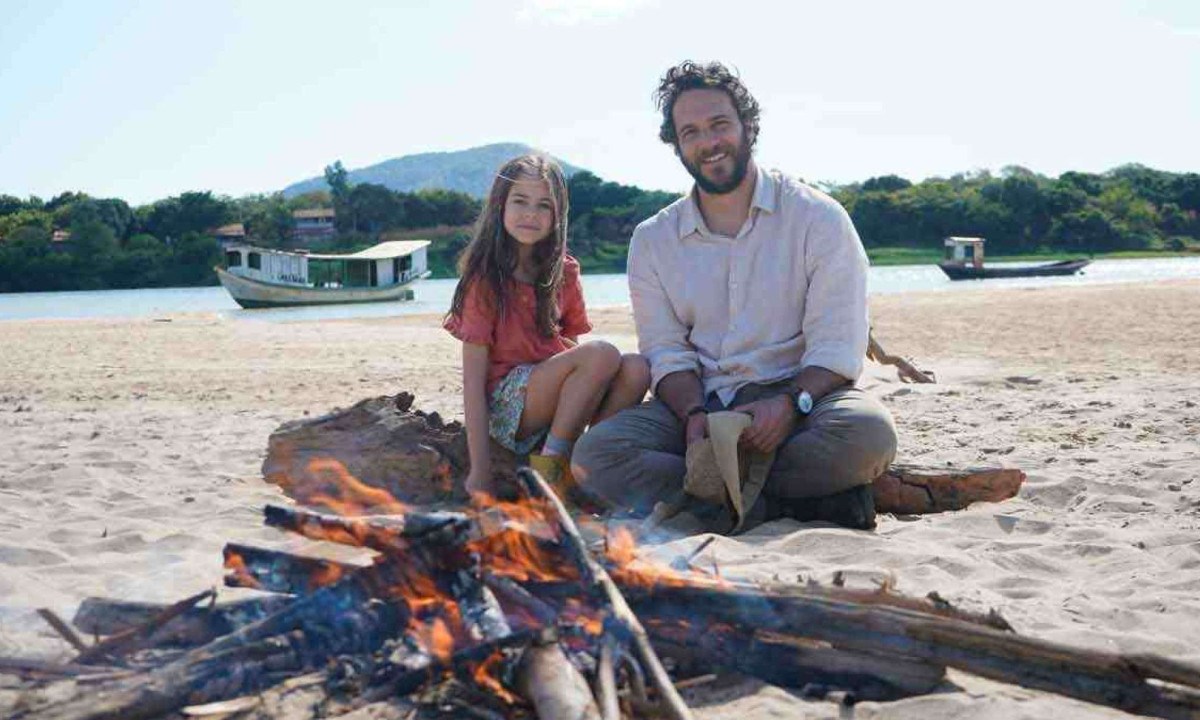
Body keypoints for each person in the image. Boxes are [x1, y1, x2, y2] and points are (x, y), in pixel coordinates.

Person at [571, 62, 897, 530]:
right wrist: (693, 415)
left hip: (800, 399)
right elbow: (666, 352)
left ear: (748, 126)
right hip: (701, 405)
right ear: (678, 144)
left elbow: (837, 346)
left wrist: (788, 405)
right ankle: (792, 501)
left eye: (720, 124)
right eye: (691, 132)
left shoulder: (819, 219)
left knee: (869, 436)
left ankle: (714, 496)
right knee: (595, 457)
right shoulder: (653, 240)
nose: (709, 142)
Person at [443, 154, 650, 500]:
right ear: (499, 206)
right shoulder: (484, 278)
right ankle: (552, 469)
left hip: (552, 397)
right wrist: (480, 471)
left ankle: (586, 466)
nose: (530, 214)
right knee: (602, 354)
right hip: (507, 409)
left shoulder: (564, 272)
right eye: (520, 201)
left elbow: (576, 354)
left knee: (637, 368)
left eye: (544, 206)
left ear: (557, 215)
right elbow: (472, 380)